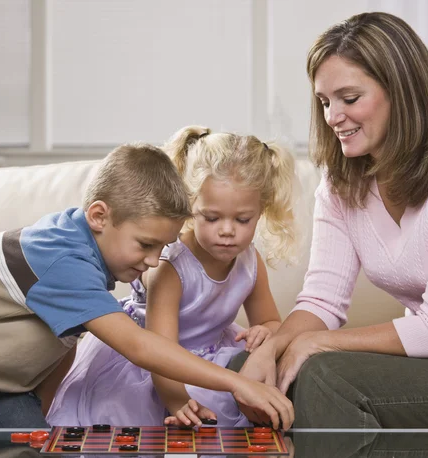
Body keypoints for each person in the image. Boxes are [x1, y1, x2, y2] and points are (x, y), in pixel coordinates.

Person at [230, 11, 428, 428]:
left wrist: (317, 344)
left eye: (349, 99)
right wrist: (272, 348)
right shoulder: (341, 182)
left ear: (402, 92)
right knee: (250, 368)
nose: (332, 117)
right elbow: (322, 301)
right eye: (325, 102)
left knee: (327, 378)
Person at [0, 143, 293, 430]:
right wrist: (236, 384)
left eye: (161, 248)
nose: (152, 261)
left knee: (29, 441)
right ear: (99, 216)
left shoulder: (90, 256)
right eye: (146, 245)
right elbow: (138, 344)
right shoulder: (59, 257)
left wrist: (44, 416)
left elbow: (60, 347)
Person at [47, 126, 298, 428]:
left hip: (213, 354)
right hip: (156, 364)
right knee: (141, 421)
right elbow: (158, 349)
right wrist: (176, 399)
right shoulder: (172, 266)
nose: (228, 230)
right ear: (191, 207)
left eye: (242, 219)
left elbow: (270, 321)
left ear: (261, 212)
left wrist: (266, 332)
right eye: (212, 217)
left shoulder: (249, 261)